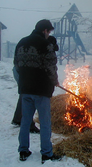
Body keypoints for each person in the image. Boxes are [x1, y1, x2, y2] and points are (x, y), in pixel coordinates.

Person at [14, 19, 61, 164]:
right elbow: (51, 67)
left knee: (25, 121)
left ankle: (23, 150)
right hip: (41, 90)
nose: (49, 35)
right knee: (45, 122)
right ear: (45, 30)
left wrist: (23, 80)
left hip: (25, 89)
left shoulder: (21, 42)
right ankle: (46, 153)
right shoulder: (45, 45)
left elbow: (16, 64)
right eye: (49, 32)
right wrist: (55, 81)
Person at [11, 35, 59, 133]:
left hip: (21, 70)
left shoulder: (39, 44)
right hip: (22, 72)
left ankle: (18, 119)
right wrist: (54, 81)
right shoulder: (44, 46)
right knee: (28, 95)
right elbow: (49, 67)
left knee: (25, 94)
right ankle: (28, 124)